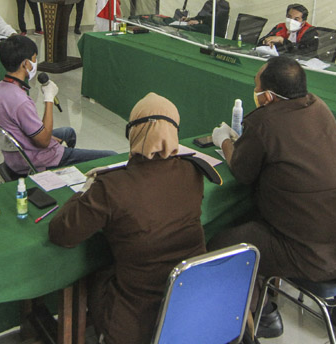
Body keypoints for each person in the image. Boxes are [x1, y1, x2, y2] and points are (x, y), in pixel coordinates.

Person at [210, 56, 336, 340]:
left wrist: (224, 141)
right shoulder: (318, 107)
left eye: (257, 87)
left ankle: (264, 316)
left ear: (269, 97)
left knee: (224, 244)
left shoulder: (266, 122)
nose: (255, 93)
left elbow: (242, 171)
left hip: (315, 253)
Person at [49, 93, 219, 344]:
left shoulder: (112, 185)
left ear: (134, 134)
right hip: (193, 308)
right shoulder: (193, 172)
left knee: (93, 275)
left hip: (138, 321)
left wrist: (87, 189)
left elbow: (61, 233)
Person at [0, 35, 114, 174]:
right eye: (34, 58)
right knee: (112, 157)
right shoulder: (20, 101)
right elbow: (44, 141)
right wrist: (49, 99)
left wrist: (48, 137)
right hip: (33, 160)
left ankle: (69, 170)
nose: (36, 63)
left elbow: (18, 128)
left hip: (15, 153)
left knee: (68, 133)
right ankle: (60, 164)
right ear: (25, 64)